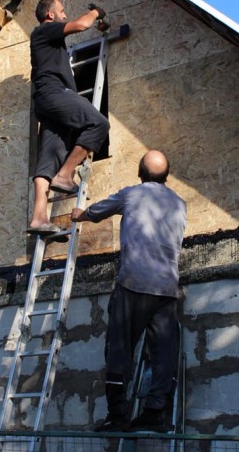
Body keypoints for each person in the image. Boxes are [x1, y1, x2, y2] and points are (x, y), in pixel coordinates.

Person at [71, 150, 187, 432]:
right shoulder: (180, 203)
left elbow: (99, 211)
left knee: (119, 348)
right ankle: (154, 413)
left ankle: (117, 415)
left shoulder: (131, 195)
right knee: (163, 352)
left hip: (133, 284)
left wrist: (79, 214)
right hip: (167, 288)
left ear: (140, 172)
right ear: (167, 175)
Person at [27, 0, 110, 236]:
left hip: (47, 103)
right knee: (98, 123)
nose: (64, 15)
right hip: (54, 94)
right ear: (50, 15)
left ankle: (39, 219)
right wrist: (95, 12)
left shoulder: (44, 40)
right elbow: (81, 25)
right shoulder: (45, 30)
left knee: (46, 163)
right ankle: (65, 175)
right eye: (62, 11)